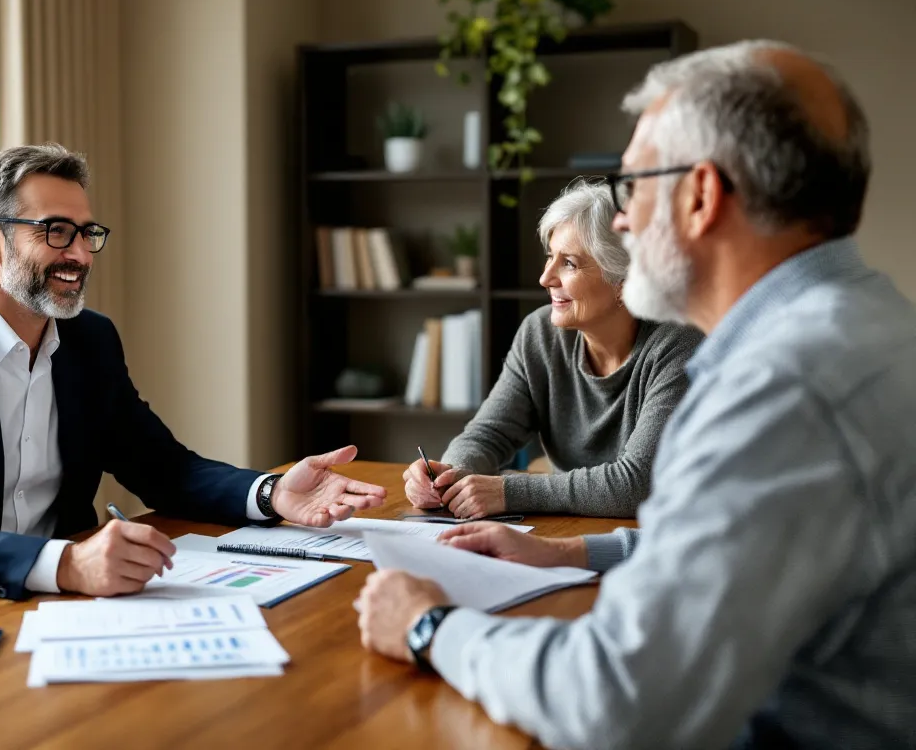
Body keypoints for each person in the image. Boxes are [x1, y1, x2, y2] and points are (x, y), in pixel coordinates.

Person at [358, 40, 916, 749]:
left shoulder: (781, 389)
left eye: (631, 186)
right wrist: (570, 555)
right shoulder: (873, 321)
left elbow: (614, 702)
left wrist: (428, 625)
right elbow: (740, 551)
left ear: (701, 196)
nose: (621, 219)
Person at [0, 144, 385, 605]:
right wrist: (67, 563)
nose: (81, 255)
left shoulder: (90, 340)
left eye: (86, 233)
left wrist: (271, 494)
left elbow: (162, 468)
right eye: (55, 231)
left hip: (45, 611)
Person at [404, 180, 700, 519]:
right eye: (550, 257)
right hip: (566, 528)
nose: (546, 278)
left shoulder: (679, 346)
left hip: (661, 537)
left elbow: (636, 484)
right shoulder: (540, 333)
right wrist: (448, 475)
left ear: (624, 281)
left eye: (569, 263)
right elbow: (488, 433)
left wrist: (507, 490)